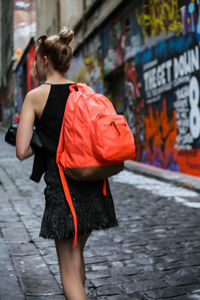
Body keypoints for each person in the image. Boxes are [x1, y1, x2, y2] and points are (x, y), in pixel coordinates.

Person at [16, 27, 118, 300]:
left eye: (36, 60)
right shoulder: (84, 90)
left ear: (44, 60)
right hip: (95, 187)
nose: (36, 65)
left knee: (69, 271)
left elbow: (22, 150)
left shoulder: (35, 96)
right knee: (77, 257)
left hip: (64, 193)